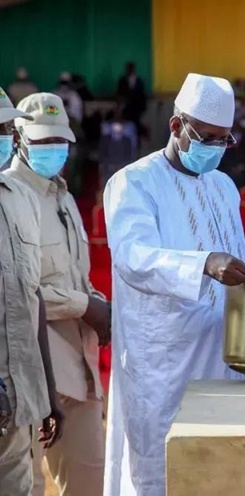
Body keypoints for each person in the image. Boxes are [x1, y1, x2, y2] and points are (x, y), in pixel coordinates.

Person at [103, 73, 245, 496]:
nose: (217, 149)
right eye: (208, 137)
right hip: (162, 364)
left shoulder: (224, 187)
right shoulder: (133, 183)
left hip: (223, 355)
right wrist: (203, 263)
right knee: (161, 474)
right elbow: (133, 258)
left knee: (220, 473)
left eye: (225, 140)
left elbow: (238, 267)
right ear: (176, 126)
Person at [5, 93, 108, 496]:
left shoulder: (63, 196)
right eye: (43, 142)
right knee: (25, 485)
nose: (53, 150)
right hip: (30, 369)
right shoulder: (9, 197)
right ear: (19, 139)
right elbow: (19, 288)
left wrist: (97, 303)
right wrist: (86, 305)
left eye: (59, 142)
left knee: (88, 483)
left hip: (79, 365)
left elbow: (77, 276)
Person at [0, 89, 64, 496]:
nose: (7, 134)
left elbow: (32, 298)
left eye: (7, 127)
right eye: (1, 127)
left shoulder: (21, 198)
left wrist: (47, 393)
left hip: (18, 406)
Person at [116, 62, 147, 141]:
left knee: (136, 126)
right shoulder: (122, 80)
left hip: (137, 108)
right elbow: (119, 94)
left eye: (130, 68)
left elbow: (142, 95)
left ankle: (136, 142)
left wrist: (142, 108)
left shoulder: (139, 81)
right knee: (126, 127)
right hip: (126, 108)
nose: (129, 70)